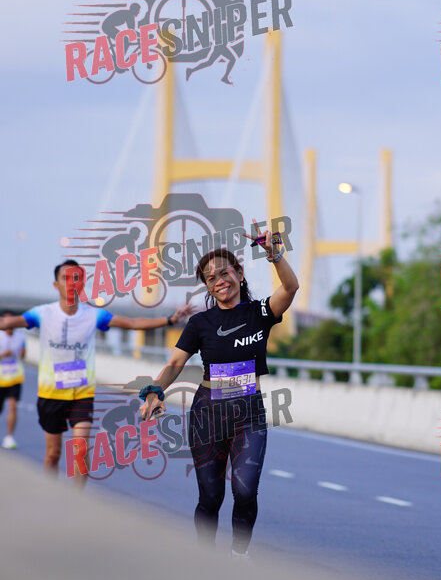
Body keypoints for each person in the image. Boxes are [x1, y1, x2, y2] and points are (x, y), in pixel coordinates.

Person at [139, 223, 299, 559]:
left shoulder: (260, 312)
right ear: (207, 287)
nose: (219, 281)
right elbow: (175, 363)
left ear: (239, 273)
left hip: (248, 414)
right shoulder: (200, 323)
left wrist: (275, 256)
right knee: (210, 497)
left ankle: (238, 557)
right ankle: (206, 561)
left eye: (224, 273)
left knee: (245, 491)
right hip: (207, 415)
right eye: (210, 278)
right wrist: (156, 391)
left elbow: (290, 287)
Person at [0, 260, 192, 486]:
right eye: (65, 278)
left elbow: (131, 322)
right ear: (55, 284)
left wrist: (170, 319)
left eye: (76, 278)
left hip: (81, 393)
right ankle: (50, 496)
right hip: (50, 394)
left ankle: (75, 500)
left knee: (80, 451)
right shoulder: (43, 313)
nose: (71, 283)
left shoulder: (93, 315)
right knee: (53, 454)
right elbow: (10, 322)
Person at [0, 312, 26, 449]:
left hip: (15, 376)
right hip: (1, 378)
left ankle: (9, 437)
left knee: (13, 406)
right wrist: (4, 354)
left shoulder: (21, 336)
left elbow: (23, 355)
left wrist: (22, 353)